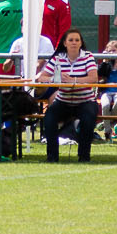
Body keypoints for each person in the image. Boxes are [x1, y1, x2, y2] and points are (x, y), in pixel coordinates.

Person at [37, 27, 101, 162]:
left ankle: (84, 156)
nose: (74, 42)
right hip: (63, 101)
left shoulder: (88, 56)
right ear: (65, 43)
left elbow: (93, 78)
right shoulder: (57, 58)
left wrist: (74, 81)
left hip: (85, 100)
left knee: (88, 120)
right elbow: (42, 77)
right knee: (49, 118)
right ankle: (52, 156)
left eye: (77, 40)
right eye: (71, 40)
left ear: (81, 43)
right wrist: (55, 79)